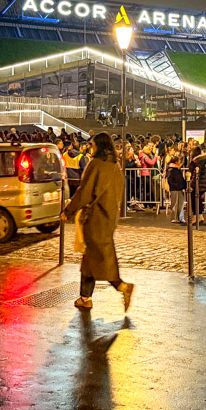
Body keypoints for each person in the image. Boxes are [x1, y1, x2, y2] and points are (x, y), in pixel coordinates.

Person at [60, 132, 134, 312]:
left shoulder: (96, 165)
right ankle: (85, 297)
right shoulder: (114, 168)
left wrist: (69, 211)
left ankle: (122, 286)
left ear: (98, 146)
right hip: (108, 219)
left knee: (100, 258)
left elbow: (84, 192)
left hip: (95, 218)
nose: (91, 148)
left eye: (93, 145)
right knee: (91, 257)